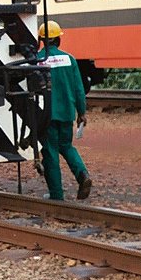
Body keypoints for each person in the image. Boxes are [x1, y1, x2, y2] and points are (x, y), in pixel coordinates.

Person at [37, 20, 92, 200]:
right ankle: (82, 174)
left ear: (42, 40)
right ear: (58, 40)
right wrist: (81, 112)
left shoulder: (37, 61)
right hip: (67, 113)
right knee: (66, 146)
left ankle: (56, 195)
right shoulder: (69, 59)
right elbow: (78, 89)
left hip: (46, 115)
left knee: (50, 152)